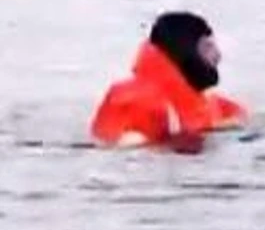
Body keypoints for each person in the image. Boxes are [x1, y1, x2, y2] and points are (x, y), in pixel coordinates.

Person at [90, 11, 246, 151]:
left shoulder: (196, 100)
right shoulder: (142, 103)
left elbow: (235, 114)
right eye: (207, 47)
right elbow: (123, 148)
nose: (217, 56)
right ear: (185, 51)